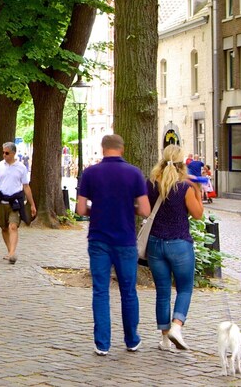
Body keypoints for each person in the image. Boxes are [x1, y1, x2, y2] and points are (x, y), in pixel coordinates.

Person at [75, 134, 151, 356]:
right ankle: (131, 339)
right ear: (122, 148)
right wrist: (128, 208)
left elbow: (80, 210)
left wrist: (97, 209)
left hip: (99, 239)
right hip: (125, 240)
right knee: (128, 291)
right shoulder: (134, 173)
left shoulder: (90, 173)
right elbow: (145, 210)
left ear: (103, 149)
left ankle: (102, 344)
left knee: (100, 290)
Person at [146, 144, 204, 352]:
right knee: (184, 288)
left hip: (155, 243)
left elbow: (144, 210)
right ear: (182, 163)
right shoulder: (185, 187)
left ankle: (164, 340)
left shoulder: (151, 183)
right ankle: (177, 327)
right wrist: (197, 191)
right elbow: (198, 214)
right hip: (179, 244)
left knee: (162, 292)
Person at [0, 142, 37, 264]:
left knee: (13, 226)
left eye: (7, 153)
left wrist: (32, 204)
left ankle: (12, 253)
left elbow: (26, 186)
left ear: (13, 153)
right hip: (1, 201)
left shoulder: (21, 167)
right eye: (3, 152)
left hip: (15, 202)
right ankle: (10, 250)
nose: (4, 155)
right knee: (4, 228)